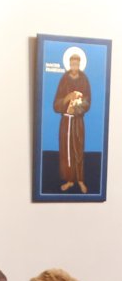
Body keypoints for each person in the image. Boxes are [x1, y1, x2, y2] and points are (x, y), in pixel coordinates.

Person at [54, 52, 91, 193]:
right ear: (69, 64)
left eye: (77, 63)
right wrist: (66, 98)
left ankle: (80, 180)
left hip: (78, 121)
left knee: (78, 149)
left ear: (80, 64)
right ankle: (70, 180)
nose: (74, 66)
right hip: (66, 121)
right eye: (72, 63)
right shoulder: (64, 79)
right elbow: (56, 104)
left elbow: (88, 101)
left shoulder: (84, 79)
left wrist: (77, 107)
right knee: (66, 150)